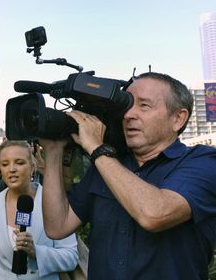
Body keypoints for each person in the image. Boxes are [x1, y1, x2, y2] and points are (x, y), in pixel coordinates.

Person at [39, 72, 216, 279]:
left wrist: (96, 147)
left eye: (144, 106)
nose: (128, 114)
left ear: (178, 118)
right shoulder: (106, 165)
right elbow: (57, 227)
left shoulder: (203, 162)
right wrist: (53, 151)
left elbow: (154, 214)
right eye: (127, 105)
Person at [0, 140, 78, 280]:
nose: (11, 169)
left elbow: (71, 257)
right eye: (5, 164)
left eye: (19, 162)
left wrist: (36, 252)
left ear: (32, 167)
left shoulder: (56, 202)